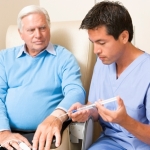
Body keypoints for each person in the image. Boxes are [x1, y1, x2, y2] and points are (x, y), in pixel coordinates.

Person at [0, 5, 86, 150]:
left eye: (42, 28)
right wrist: (3, 132)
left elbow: (76, 92)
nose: (38, 35)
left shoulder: (64, 57)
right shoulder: (4, 58)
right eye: (31, 30)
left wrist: (56, 117)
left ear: (49, 29)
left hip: (43, 134)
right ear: (21, 33)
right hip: (8, 132)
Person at [68, 1, 150, 150]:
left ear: (124, 36)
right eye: (93, 42)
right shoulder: (103, 63)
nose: (95, 51)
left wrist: (124, 121)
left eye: (101, 42)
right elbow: (95, 107)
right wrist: (86, 111)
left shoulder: (147, 72)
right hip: (109, 143)